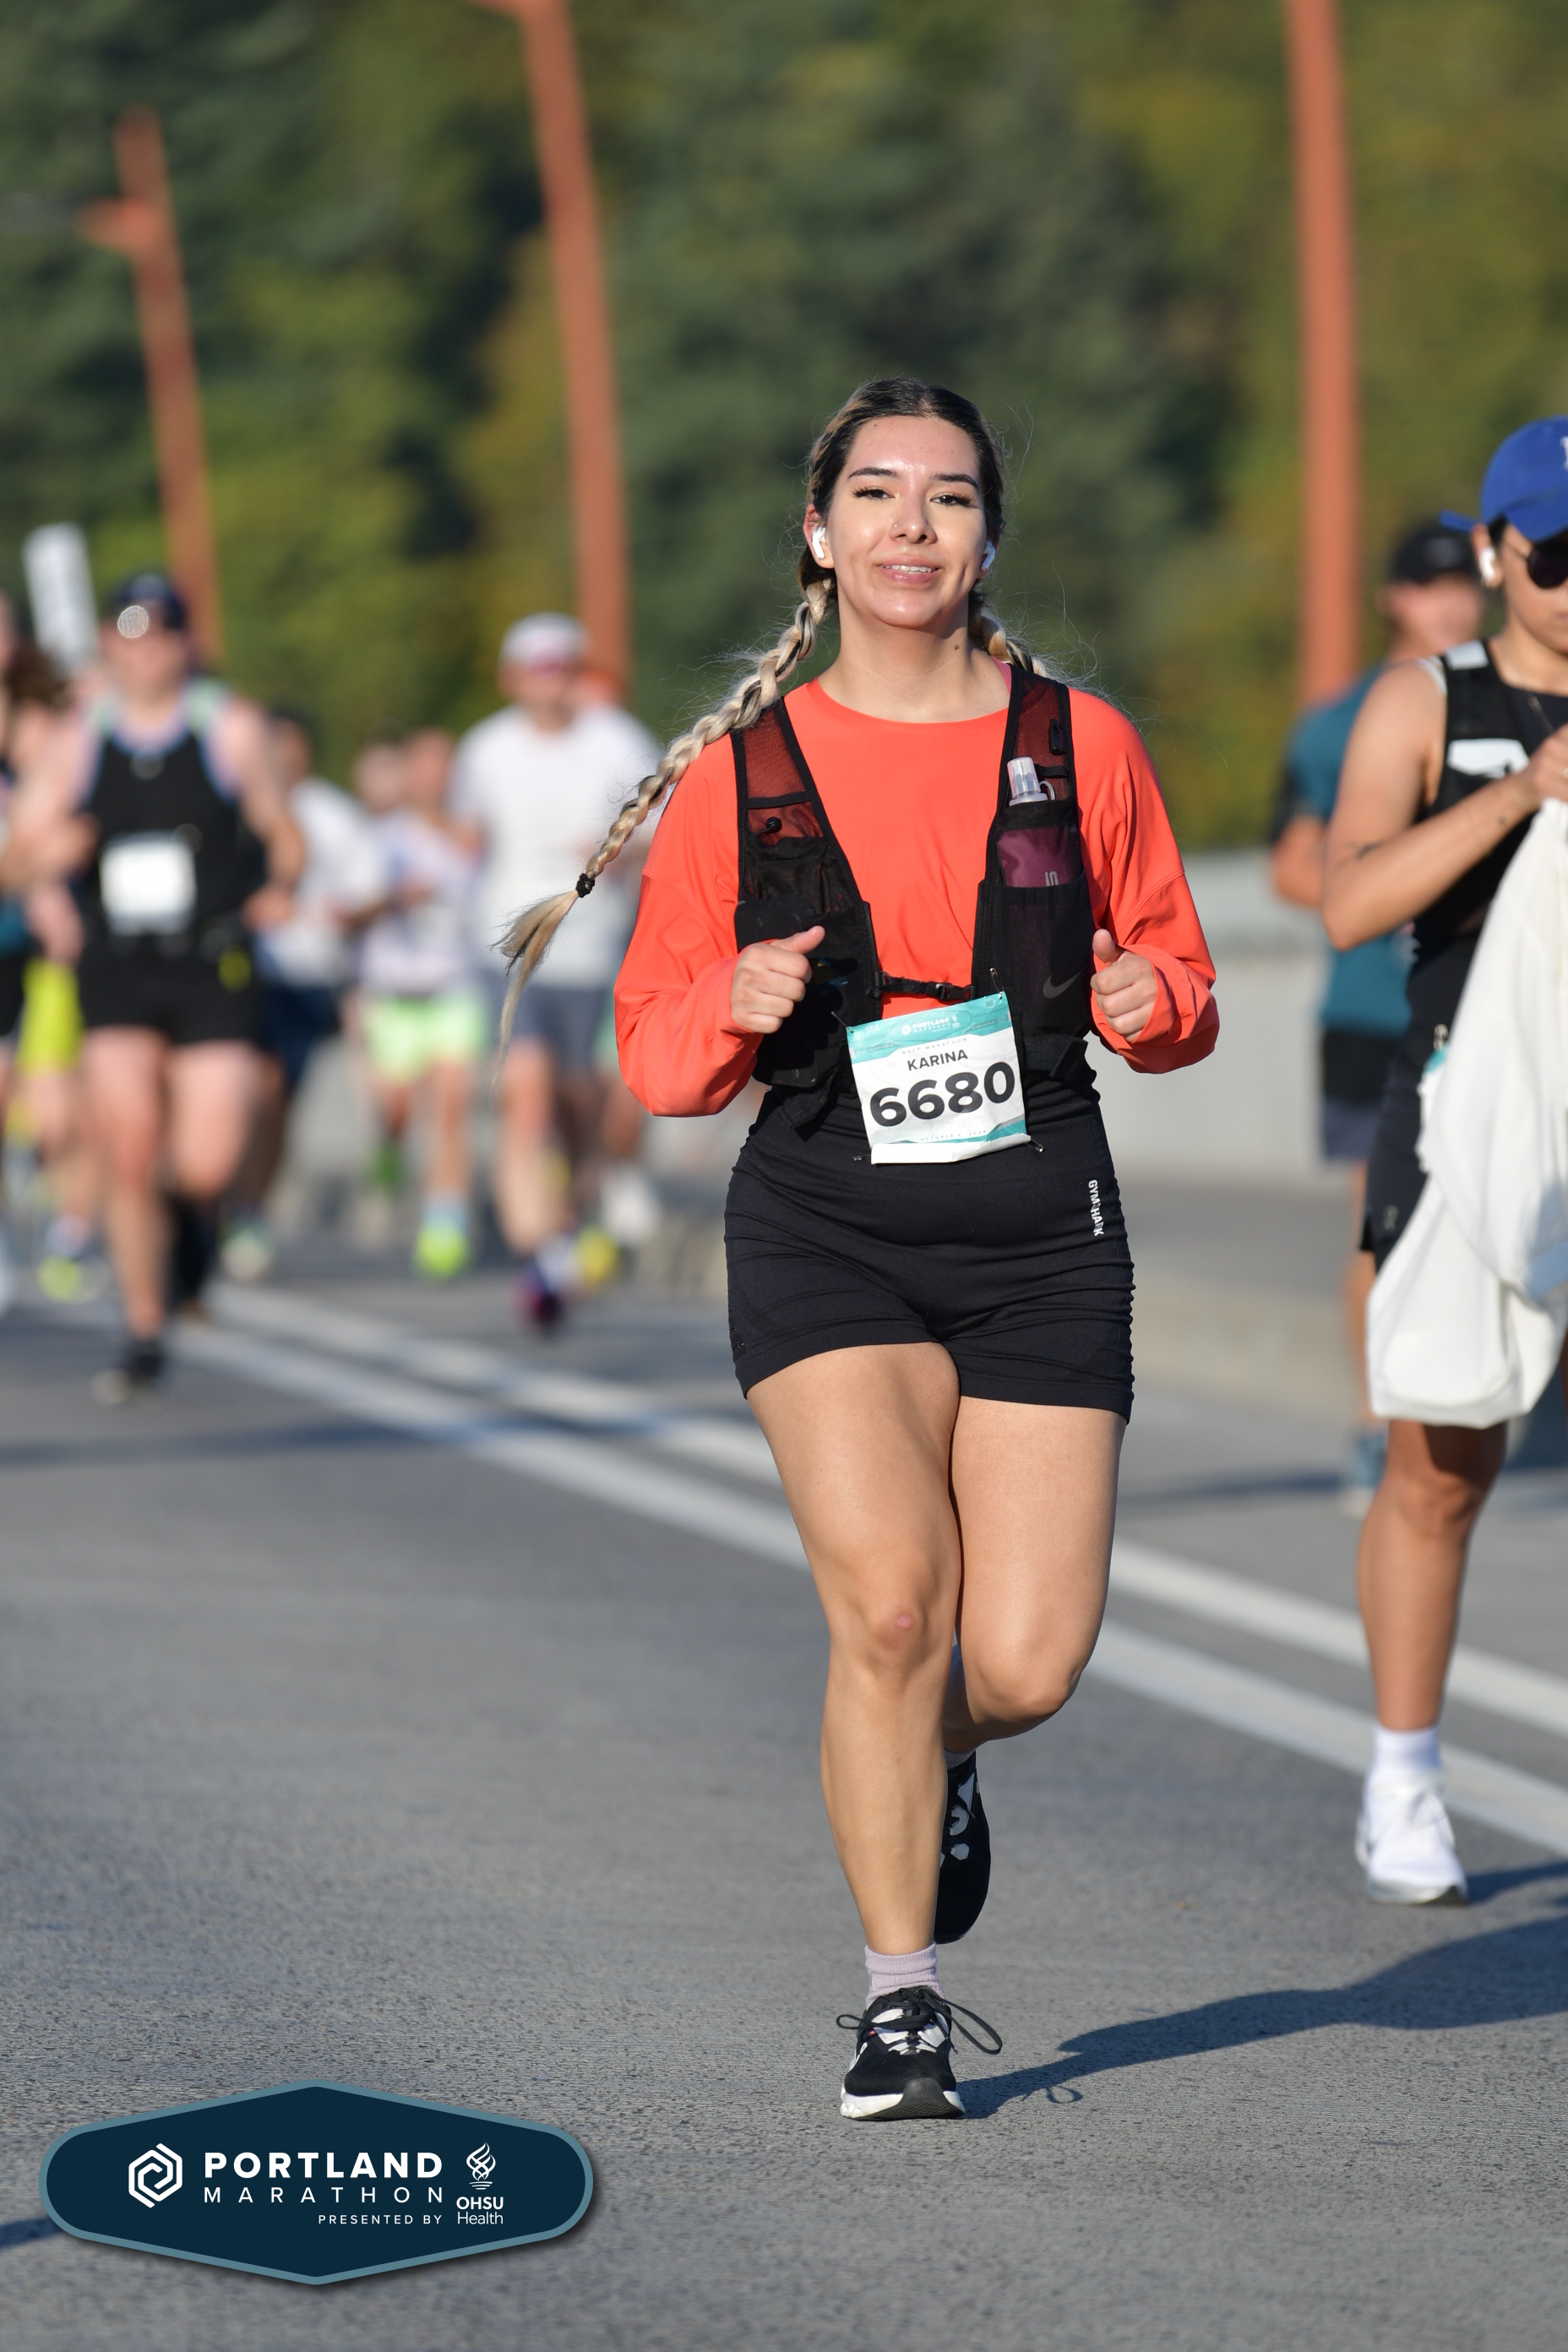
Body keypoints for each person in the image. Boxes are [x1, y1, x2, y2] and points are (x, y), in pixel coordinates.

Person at [504, 378, 1218, 2117]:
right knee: (894, 1608)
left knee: (1025, 1659)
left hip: (1042, 1222)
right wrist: (731, 1002)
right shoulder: (741, 777)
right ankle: (902, 2008)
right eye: (878, 494)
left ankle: (927, 1752)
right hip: (827, 1221)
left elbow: (1181, 981)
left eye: (950, 497)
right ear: (819, 535)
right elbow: (657, 1059)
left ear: (988, 540)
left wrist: (1152, 999)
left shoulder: (1083, 746)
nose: (913, 525)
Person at [1323, 418, 1568, 1905]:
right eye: (1559, 555)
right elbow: (1350, 901)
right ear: (1493, 553)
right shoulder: (1429, 699)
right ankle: (1403, 1775)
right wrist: (1523, 792)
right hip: (1466, 1103)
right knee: (1442, 1462)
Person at [3, 572, 302, 1399]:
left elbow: (284, 832)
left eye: (162, 633)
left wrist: (283, 886)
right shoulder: (76, 739)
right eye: (130, 634)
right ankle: (143, 1326)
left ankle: (189, 1231)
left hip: (210, 960)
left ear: (185, 642)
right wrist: (48, 857)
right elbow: (17, 858)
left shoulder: (228, 727)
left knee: (207, 1160)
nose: (146, 652)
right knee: (129, 1149)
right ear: (107, 642)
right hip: (118, 966)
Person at [1271, 523, 1485, 1509]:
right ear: (1394, 598)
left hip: (1489, 1006)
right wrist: (1397, 883)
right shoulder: (1339, 723)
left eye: (1464, 586)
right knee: (1383, 1221)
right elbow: (1289, 865)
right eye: (1430, 588)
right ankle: (1371, 1424)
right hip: (1373, 1010)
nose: (1451, 605)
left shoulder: (1516, 697)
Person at [452, 613, 660, 1324]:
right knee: (528, 1094)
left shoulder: (618, 740)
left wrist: (616, 851)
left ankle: (570, 1218)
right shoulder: (486, 749)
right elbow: (468, 841)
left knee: (577, 1102)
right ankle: (537, 1252)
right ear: (513, 678)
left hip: (592, 945)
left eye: (561, 667)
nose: (550, 682)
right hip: (512, 944)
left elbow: (661, 829)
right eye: (536, 670)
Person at [221, 708, 385, 1280]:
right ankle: (214, 1194)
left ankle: (248, 1208)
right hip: (235, 971)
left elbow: (370, 892)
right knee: (236, 1089)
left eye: (292, 749)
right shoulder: (228, 802)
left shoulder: (333, 815)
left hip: (303, 978)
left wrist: (344, 916)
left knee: (275, 1097)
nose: (284, 761)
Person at [357, 727, 485, 1278]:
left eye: (444, 766)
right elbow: (352, 910)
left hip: (454, 989)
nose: (435, 777)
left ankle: (444, 1225)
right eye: (425, 766)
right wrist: (395, 899)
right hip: (394, 994)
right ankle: (388, 1150)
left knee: (451, 1108)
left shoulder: (474, 838)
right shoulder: (384, 838)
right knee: (397, 1109)